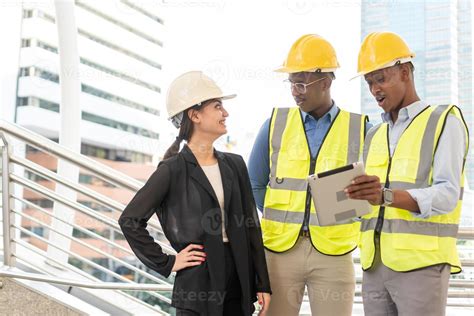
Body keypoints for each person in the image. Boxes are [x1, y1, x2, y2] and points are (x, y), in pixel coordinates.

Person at [119, 71, 271, 316]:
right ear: (195, 115)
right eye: (218, 106)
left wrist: (263, 283)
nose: (226, 113)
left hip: (238, 286)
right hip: (197, 287)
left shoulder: (235, 164)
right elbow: (130, 221)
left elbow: (251, 227)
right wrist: (168, 262)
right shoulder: (172, 170)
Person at [346, 31, 469, 316]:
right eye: (369, 82)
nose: (374, 89)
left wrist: (386, 196)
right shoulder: (375, 135)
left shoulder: (443, 121)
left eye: (380, 78)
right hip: (374, 265)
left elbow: (447, 194)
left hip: (421, 266)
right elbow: (371, 201)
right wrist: (349, 199)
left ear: (404, 73)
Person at [248, 34, 370, 316]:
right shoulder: (274, 124)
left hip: (334, 252)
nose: (295, 90)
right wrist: (286, 218)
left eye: (302, 82)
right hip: (280, 251)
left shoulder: (360, 128)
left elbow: (369, 189)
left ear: (326, 82)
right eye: (291, 82)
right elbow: (255, 182)